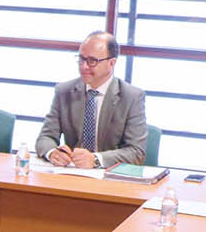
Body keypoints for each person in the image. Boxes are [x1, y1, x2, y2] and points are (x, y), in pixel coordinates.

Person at [36, 31, 147, 169]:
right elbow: (45, 137)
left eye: (92, 61)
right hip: (70, 175)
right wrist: (52, 153)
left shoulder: (132, 97)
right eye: (81, 59)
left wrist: (95, 159)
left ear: (111, 63)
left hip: (109, 179)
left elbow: (136, 152)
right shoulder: (64, 91)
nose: (84, 67)